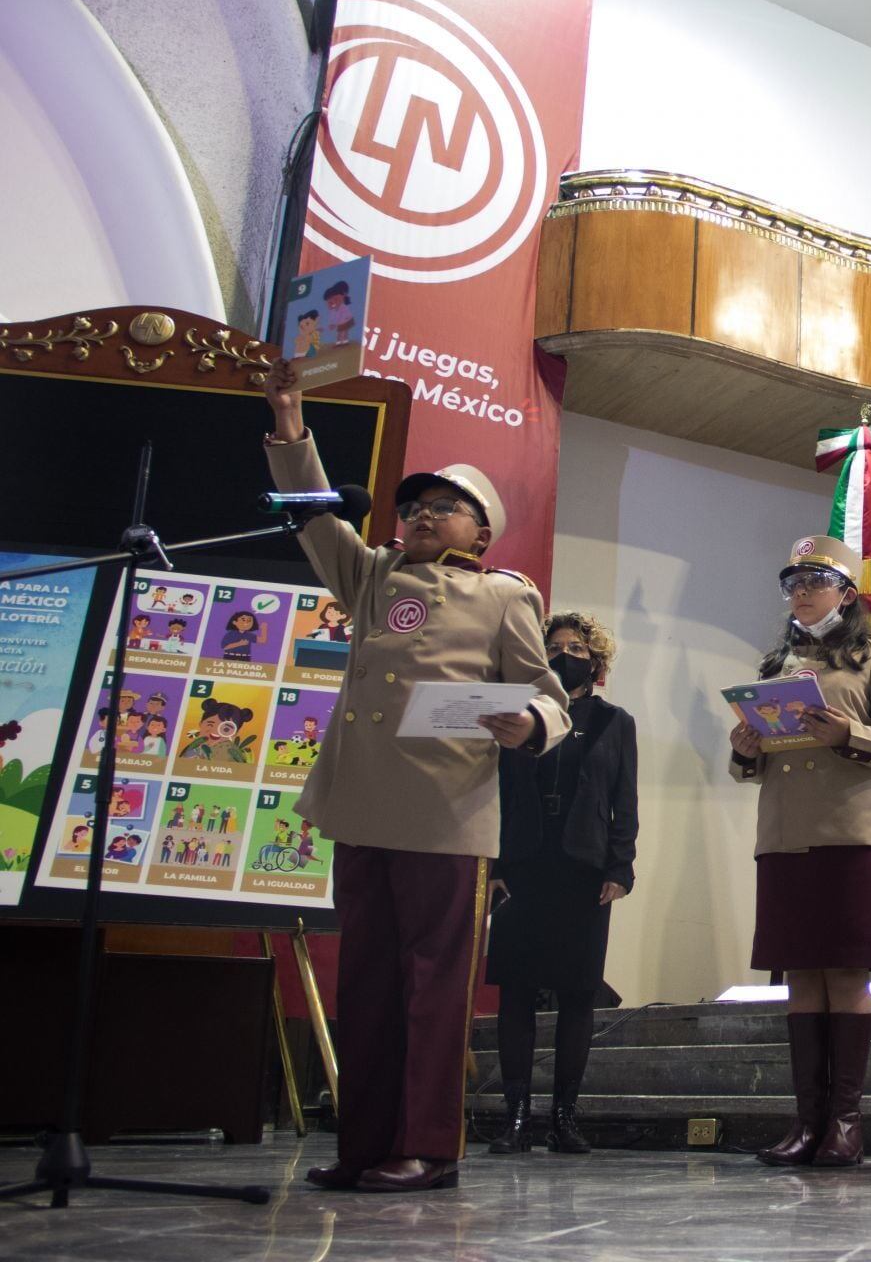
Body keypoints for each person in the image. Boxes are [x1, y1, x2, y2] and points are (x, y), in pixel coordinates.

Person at [260, 358, 571, 1191]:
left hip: (445, 814)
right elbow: (311, 518)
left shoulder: (505, 597)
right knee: (364, 983)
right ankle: (363, 1145)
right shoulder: (370, 576)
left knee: (434, 992)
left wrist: (530, 723)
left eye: (446, 507)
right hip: (362, 810)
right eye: (415, 506)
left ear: (481, 530)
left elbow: (551, 698)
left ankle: (427, 1148)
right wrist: (290, 422)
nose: (423, 515)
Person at [728, 535, 871, 1168]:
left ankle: (845, 1122)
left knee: (844, 972)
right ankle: (806, 1122)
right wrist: (745, 749)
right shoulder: (773, 666)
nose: (801, 591)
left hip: (849, 834)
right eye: (793, 583)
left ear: (845, 593)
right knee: (801, 975)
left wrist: (848, 734)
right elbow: (751, 767)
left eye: (814, 580)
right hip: (784, 836)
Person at [486, 610, 638, 1157]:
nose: (563, 652)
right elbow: (492, 793)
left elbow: (624, 799)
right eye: (554, 644)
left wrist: (621, 869)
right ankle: (517, 1119)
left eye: (576, 646)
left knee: (578, 996)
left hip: (585, 872)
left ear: (594, 663)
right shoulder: (513, 714)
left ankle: (565, 1119)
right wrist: (494, 866)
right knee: (516, 995)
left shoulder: (615, 722)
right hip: (522, 867)